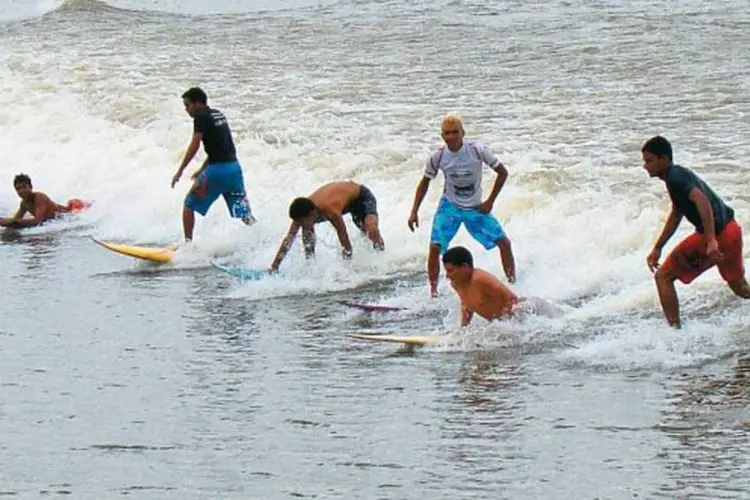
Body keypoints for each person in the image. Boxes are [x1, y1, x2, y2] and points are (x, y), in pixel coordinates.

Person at [642, 135, 750, 328]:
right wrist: (658, 247)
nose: (645, 166)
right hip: (732, 230)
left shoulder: (675, 178)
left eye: (649, 161)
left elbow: (702, 201)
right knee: (741, 289)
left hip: (717, 236)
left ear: (664, 159)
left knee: (663, 277)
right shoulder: (677, 176)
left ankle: (674, 333)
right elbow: (676, 214)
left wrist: (710, 240)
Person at [408, 114, 516, 298]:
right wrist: (414, 211)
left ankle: (513, 284)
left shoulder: (477, 150)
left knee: (504, 243)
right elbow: (424, 182)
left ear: (463, 133)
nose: (451, 137)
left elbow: (502, 173)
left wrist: (490, 201)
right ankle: (433, 294)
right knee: (434, 248)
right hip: (450, 207)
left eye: (455, 132)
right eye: (447, 133)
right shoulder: (438, 156)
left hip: (475, 207)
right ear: (442, 136)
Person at [171, 87, 255, 242]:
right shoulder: (218, 114)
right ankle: (261, 238)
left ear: (197, 103)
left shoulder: (200, 117)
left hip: (217, 172)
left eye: (187, 105)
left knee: (188, 205)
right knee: (244, 213)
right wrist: (202, 169)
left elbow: (194, 145)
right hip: (234, 170)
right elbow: (220, 146)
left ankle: (187, 245)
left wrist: (180, 171)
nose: (186, 109)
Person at [270, 180, 385, 271]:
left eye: (302, 222)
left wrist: (348, 271)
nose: (299, 224)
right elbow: (288, 240)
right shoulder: (301, 214)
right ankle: (310, 265)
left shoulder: (331, 210)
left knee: (371, 229)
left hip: (360, 196)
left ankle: (381, 258)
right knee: (307, 233)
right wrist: (274, 267)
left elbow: (345, 243)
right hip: (343, 201)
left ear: (312, 214)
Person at [442, 246, 560, 327]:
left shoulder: (481, 279)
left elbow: (512, 300)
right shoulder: (456, 283)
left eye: (451, 271)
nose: (447, 275)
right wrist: (463, 329)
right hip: (512, 318)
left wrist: (509, 328)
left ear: (465, 266)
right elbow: (466, 304)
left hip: (532, 310)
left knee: (564, 320)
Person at [0, 174, 88, 228]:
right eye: (18, 189)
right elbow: (17, 219)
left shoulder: (39, 197)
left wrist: (12, 222)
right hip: (54, 219)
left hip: (69, 213)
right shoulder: (24, 203)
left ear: (31, 187)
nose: (22, 191)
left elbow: (38, 221)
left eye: (24, 187)